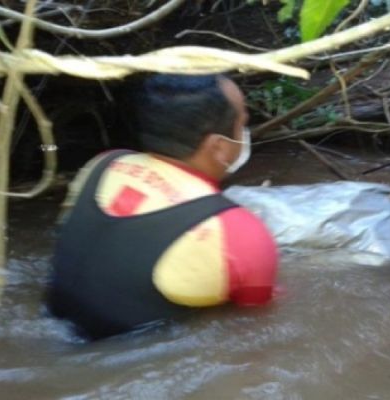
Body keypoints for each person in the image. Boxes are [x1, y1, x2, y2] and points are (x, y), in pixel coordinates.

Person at [47, 74, 278, 340]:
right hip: (131, 363)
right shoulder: (241, 234)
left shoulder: (103, 165)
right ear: (219, 147)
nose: (244, 132)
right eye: (242, 123)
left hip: (55, 332)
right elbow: (256, 335)